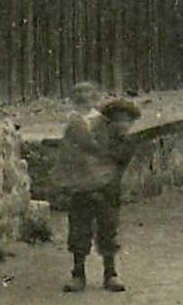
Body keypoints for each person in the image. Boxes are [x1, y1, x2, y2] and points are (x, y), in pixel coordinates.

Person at [54, 84, 140, 293]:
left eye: (126, 121)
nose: (123, 125)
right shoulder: (81, 129)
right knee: (78, 232)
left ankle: (110, 274)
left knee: (108, 232)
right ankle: (78, 274)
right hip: (81, 190)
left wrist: (100, 176)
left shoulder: (121, 140)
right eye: (118, 121)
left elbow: (115, 161)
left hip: (107, 191)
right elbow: (70, 157)